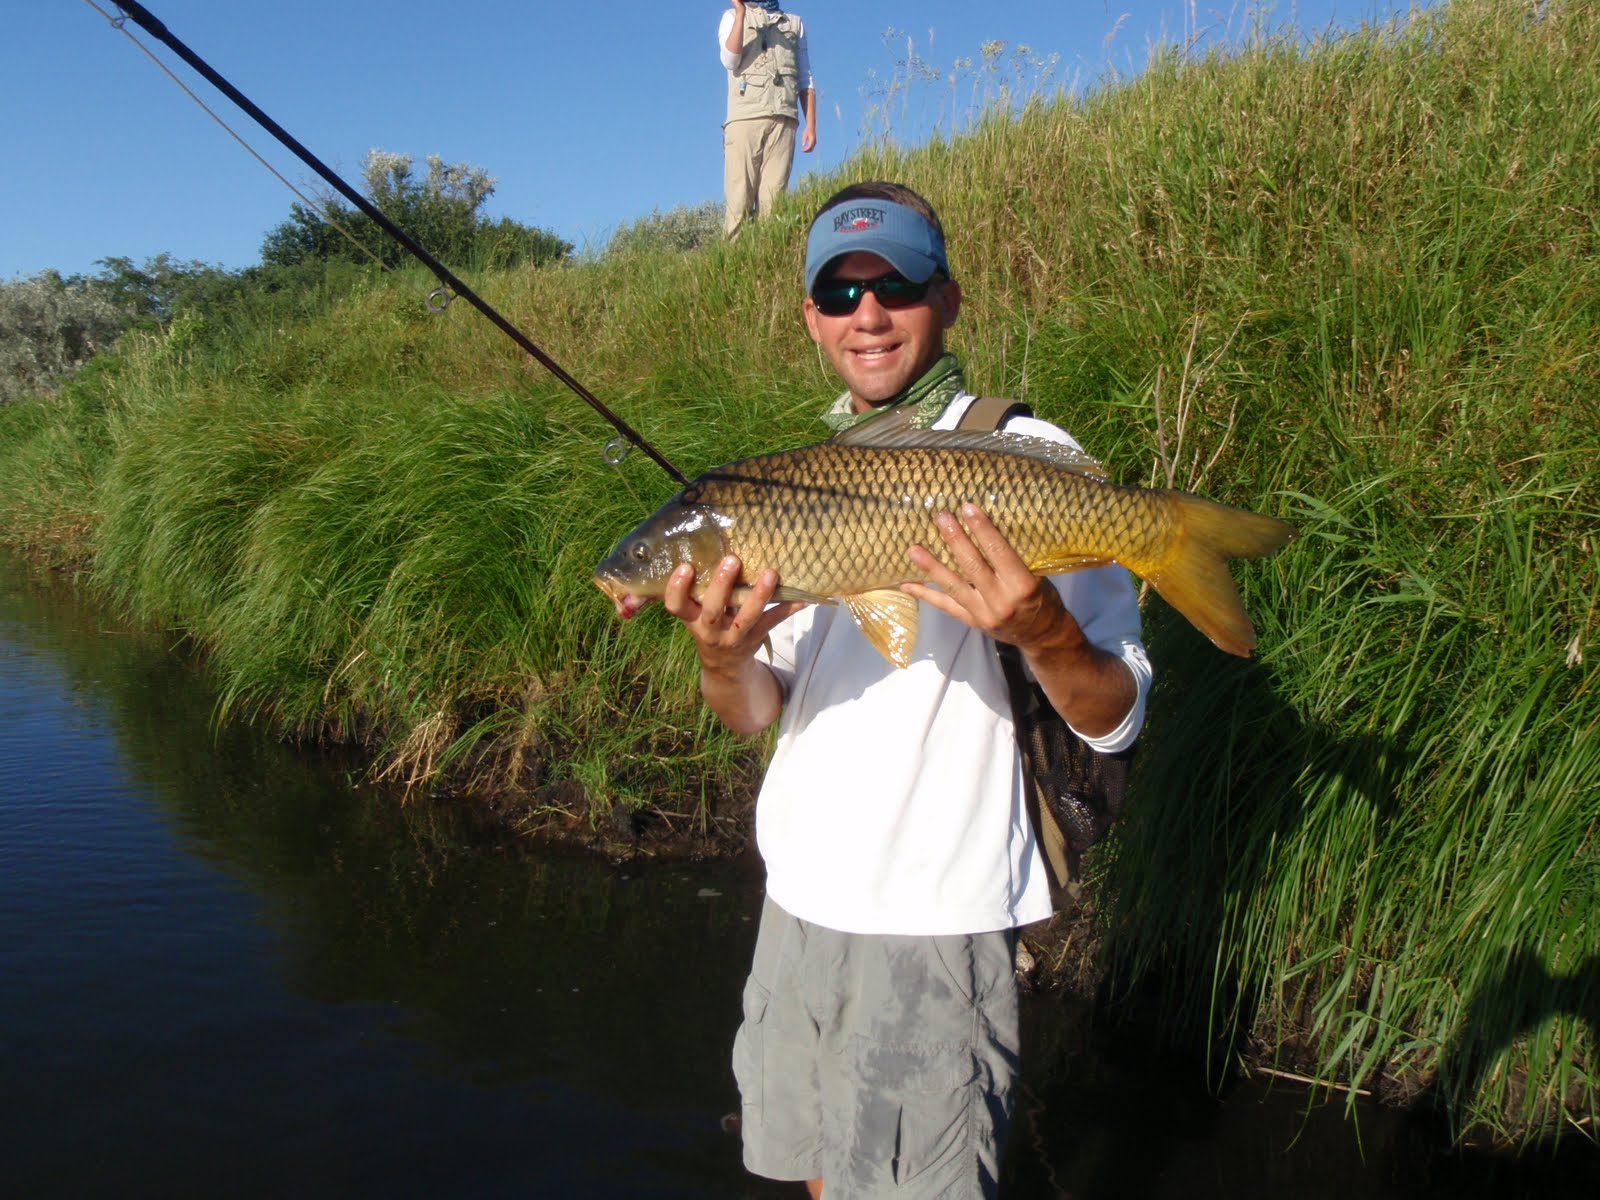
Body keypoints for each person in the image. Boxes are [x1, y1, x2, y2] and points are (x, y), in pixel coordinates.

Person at [663, 181, 1152, 1197]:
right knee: (813, 1177)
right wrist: (721, 655)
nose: (868, 314)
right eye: (840, 295)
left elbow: (1114, 716)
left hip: (935, 916)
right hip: (796, 903)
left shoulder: (1035, 460)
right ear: (810, 317)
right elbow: (757, 711)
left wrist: (1041, 628)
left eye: (896, 285)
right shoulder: (792, 484)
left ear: (949, 299)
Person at [718, 1, 816, 239]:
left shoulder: (794, 23)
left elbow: (805, 76)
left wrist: (811, 124)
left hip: (784, 119)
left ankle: (763, 262)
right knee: (739, 201)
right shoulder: (731, 17)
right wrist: (741, 13)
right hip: (744, 119)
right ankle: (732, 264)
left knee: (773, 202)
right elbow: (730, 60)